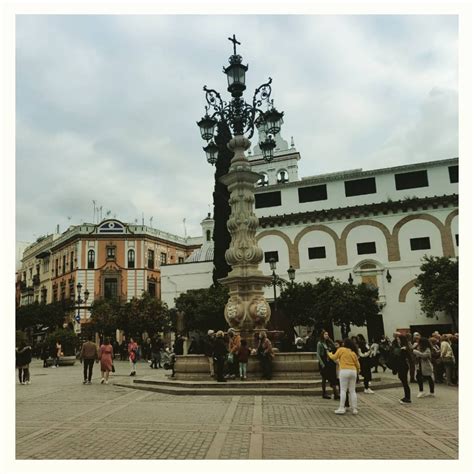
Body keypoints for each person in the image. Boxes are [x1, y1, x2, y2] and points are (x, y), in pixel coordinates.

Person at [327, 338, 360, 415]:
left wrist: (329, 353)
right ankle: (354, 409)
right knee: (352, 390)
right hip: (353, 371)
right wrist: (358, 371)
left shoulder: (341, 350)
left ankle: (342, 408)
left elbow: (334, 357)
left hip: (344, 371)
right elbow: (357, 364)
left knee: (343, 390)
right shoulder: (353, 352)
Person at [316, 330, 339, 400]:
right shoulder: (320, 343)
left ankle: (335, 393)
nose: (327, 335)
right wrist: (322, 364)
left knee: (332, 377)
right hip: (324, 362)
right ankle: (324, 393)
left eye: (327, 334)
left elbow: (334, 347)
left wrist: (330, 340)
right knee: (324, 378)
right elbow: (318, 354)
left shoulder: (328, 342)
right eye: (325, 334)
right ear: (322, 335)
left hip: (329, 362)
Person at [392, 334, 412, 404]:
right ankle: (407, 397)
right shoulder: (402, 347)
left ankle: (407, 397)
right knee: (403, 380)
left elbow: (399, 355)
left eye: (399, 339)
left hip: (403, 366)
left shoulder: (404, 348)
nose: (398, 341)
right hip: (402, 366)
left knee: (405, 382)